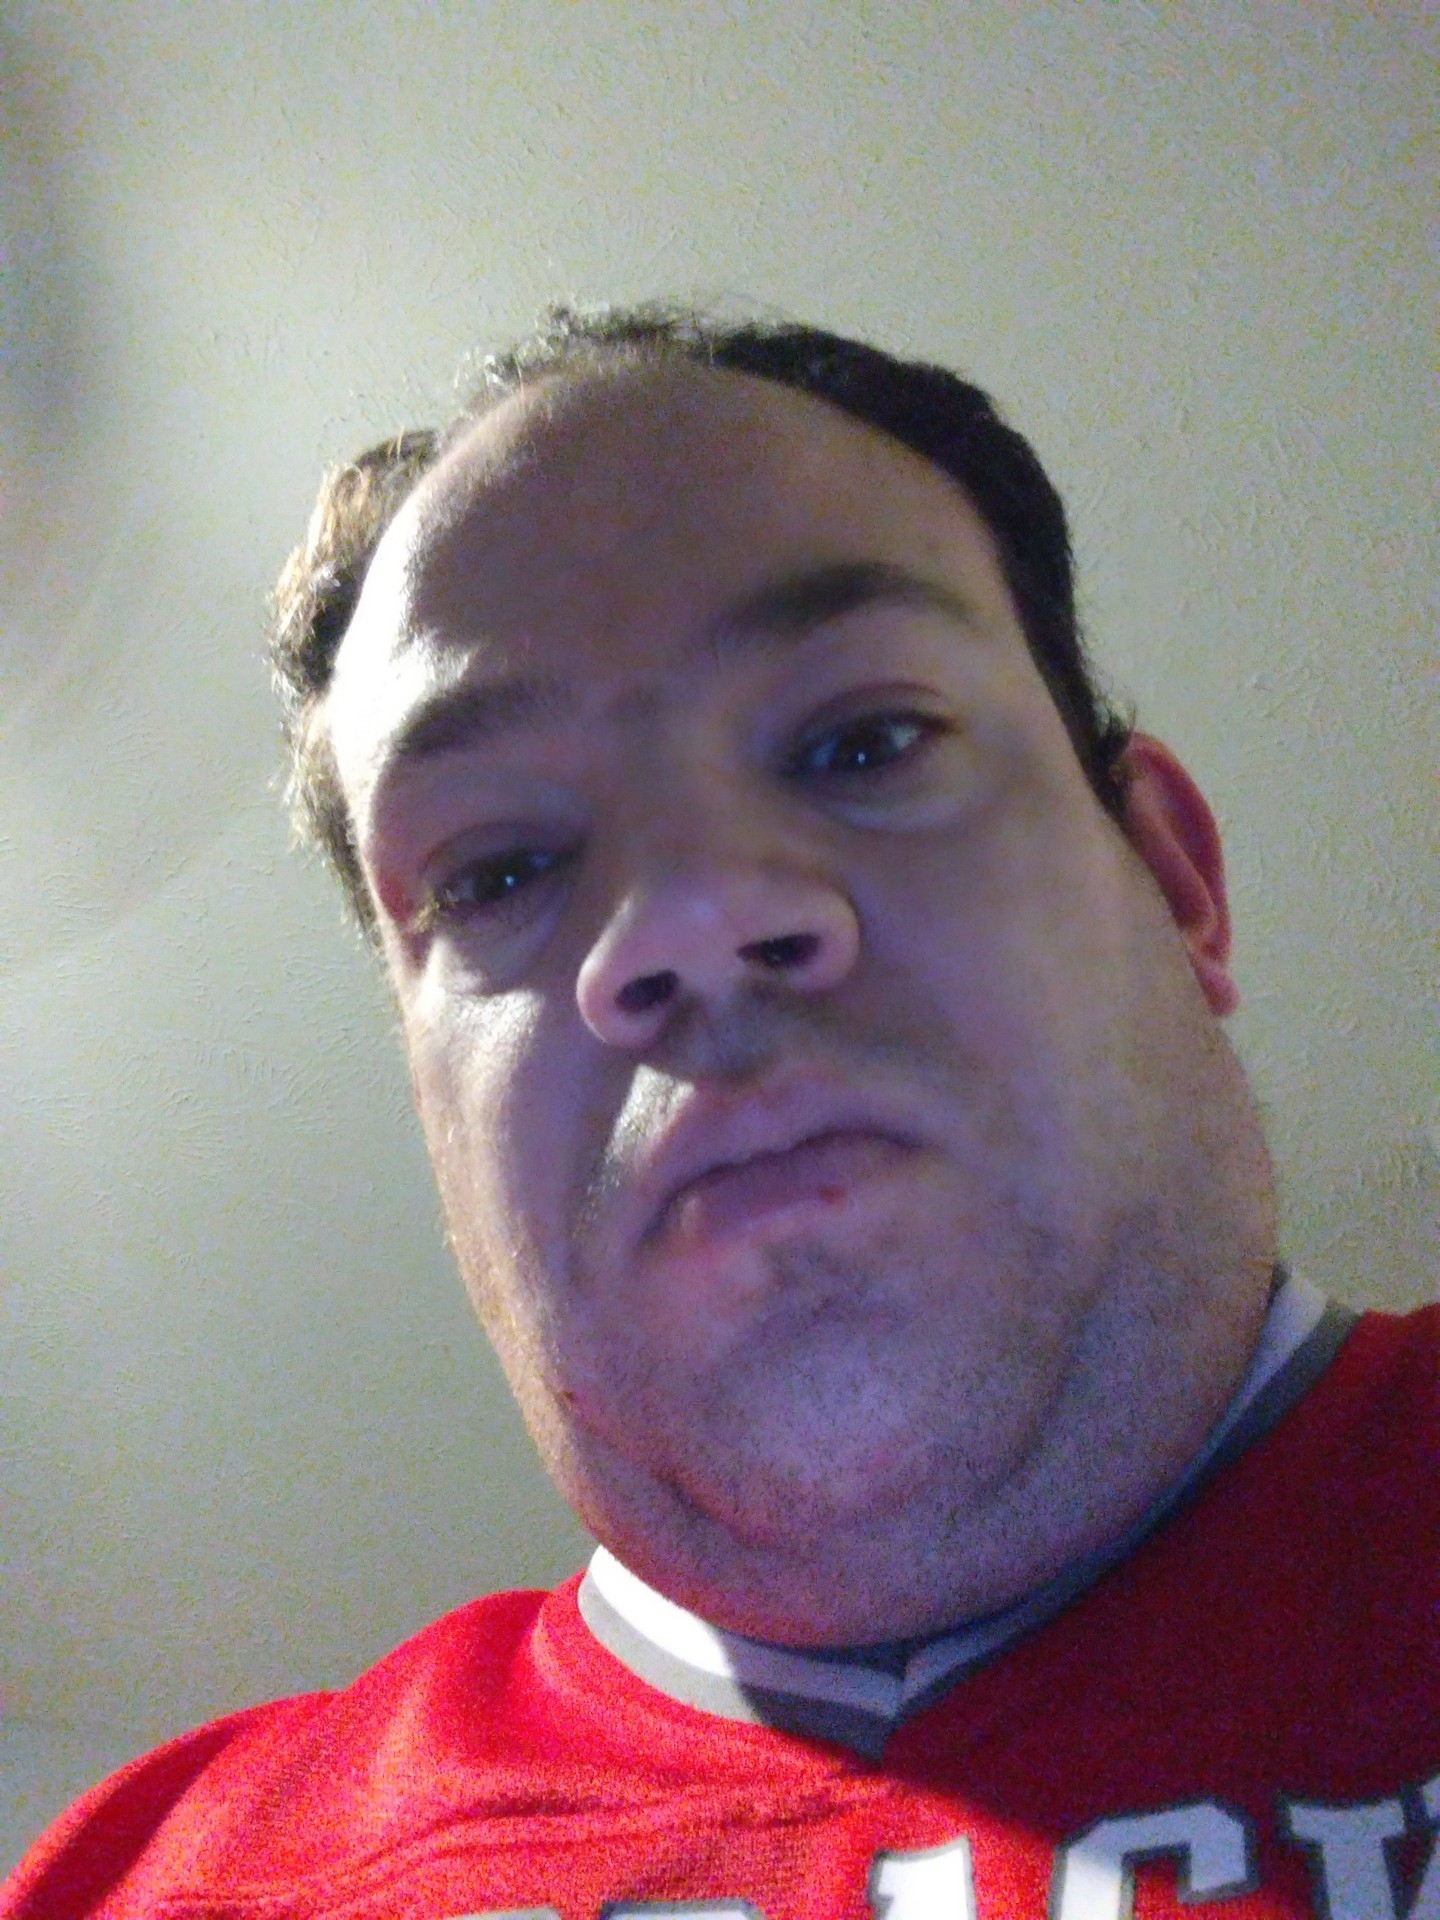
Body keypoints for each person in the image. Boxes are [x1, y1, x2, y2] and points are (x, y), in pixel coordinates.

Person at [5, 305, 1435, 1919]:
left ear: (1173, 882)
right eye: (500, 870)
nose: (685, 916)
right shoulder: (146, 1882)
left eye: (863, 742)